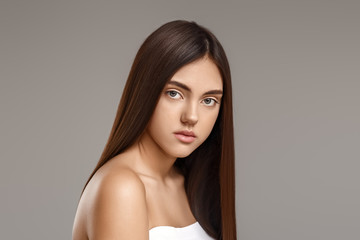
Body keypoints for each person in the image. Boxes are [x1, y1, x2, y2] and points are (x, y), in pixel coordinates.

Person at [72, 20, 236, 240]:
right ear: (145, 92)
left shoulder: (189, 182)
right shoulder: (121, 187)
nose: (191, 117)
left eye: (208, 100)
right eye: (174, 93)